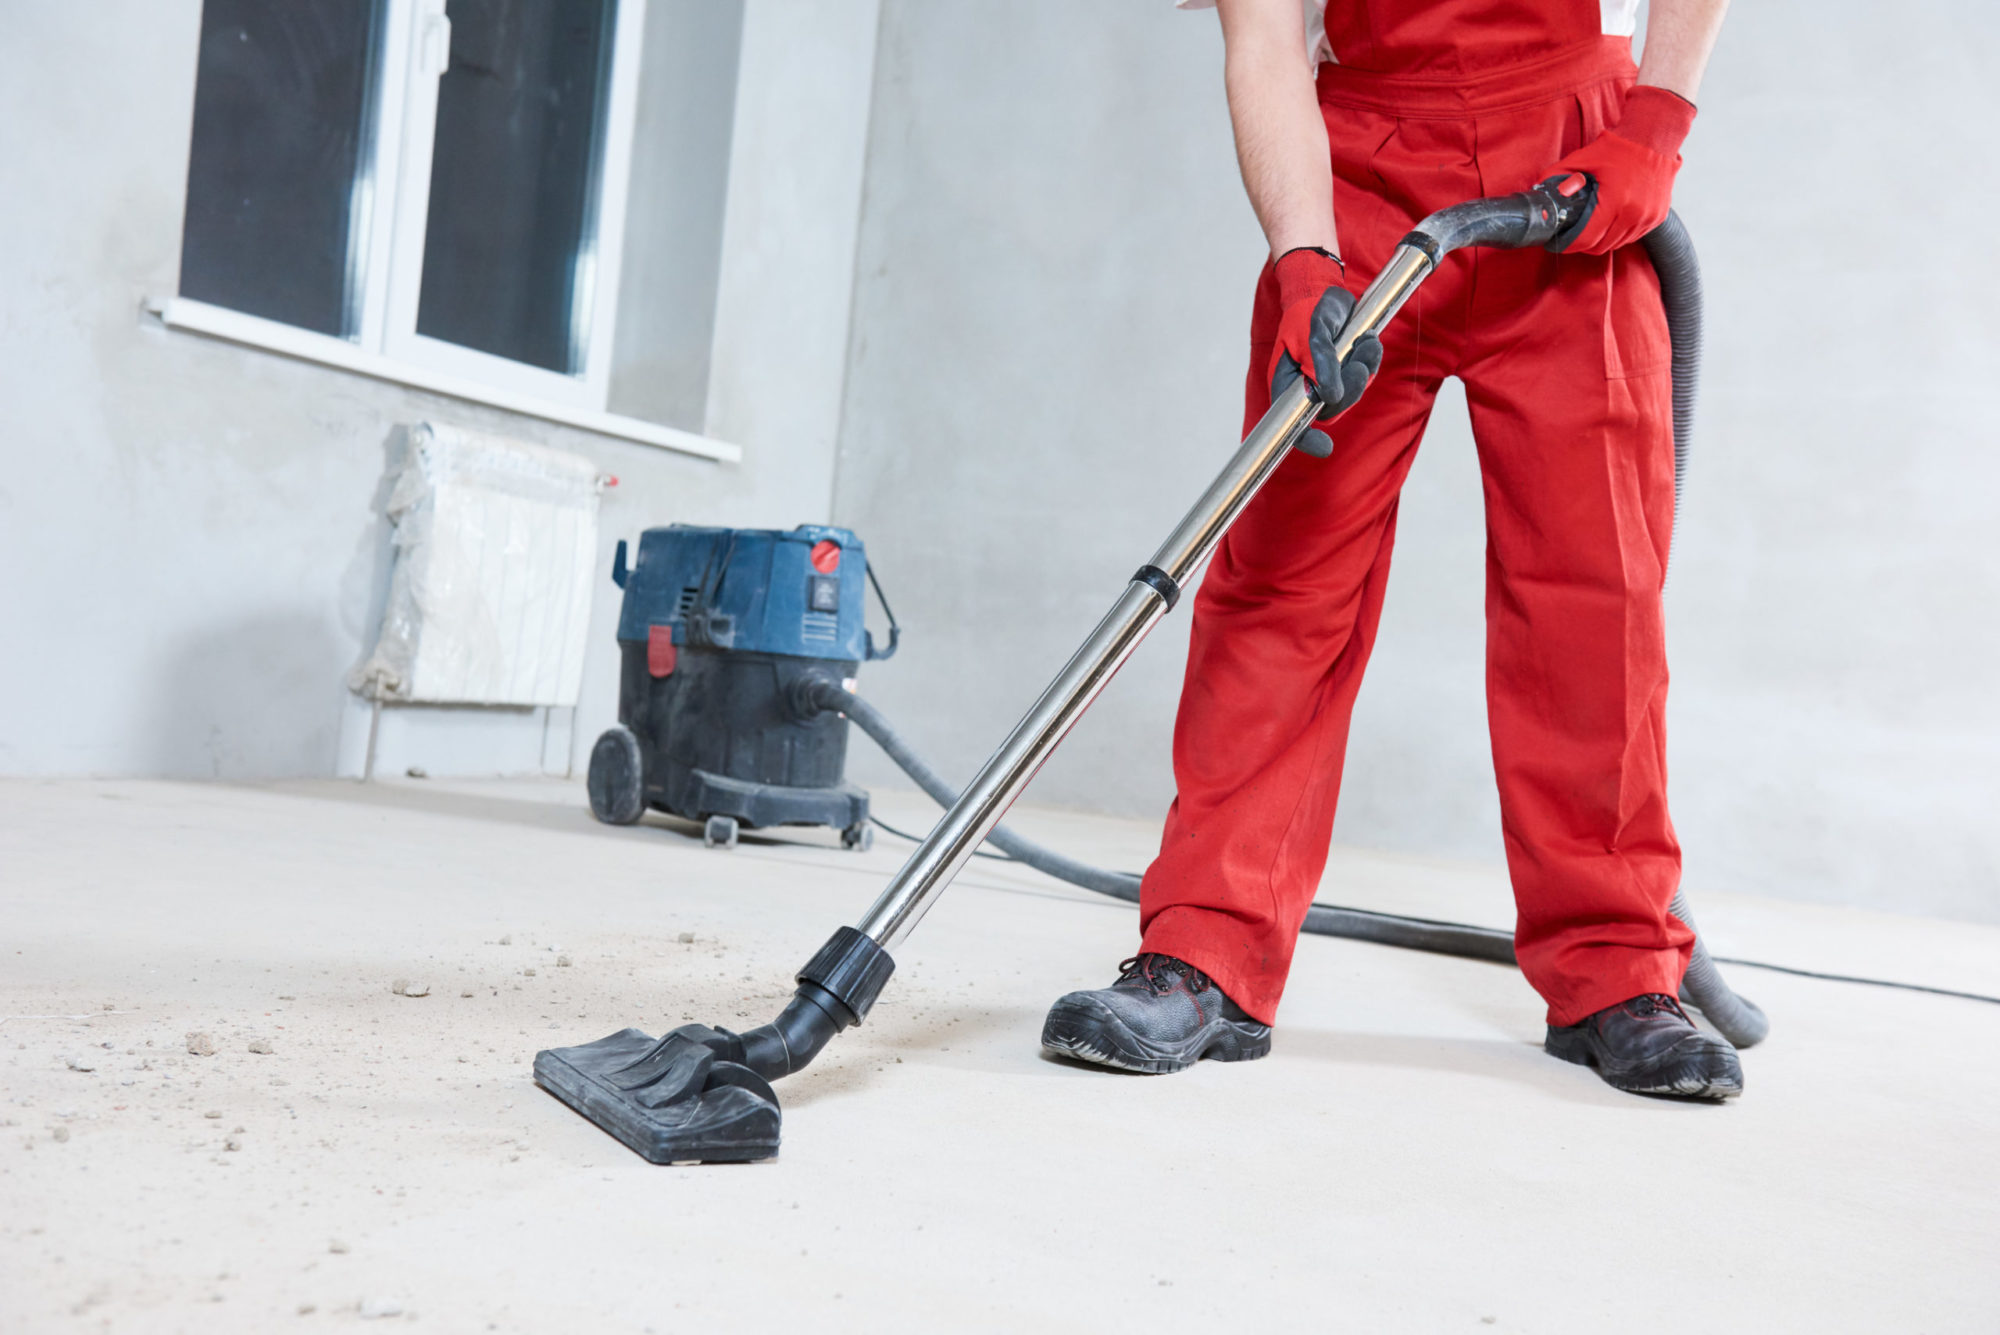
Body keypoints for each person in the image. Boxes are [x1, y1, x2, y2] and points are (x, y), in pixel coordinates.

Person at [1041, 0, 1742, 1099]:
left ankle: (1616, 968)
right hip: (1358, 166)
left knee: (1590, 595)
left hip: (1570, 157)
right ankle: (1202, 953)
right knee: (1282, 579)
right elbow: (1263, 36)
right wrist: (1301, 260)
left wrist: (1650, 127)